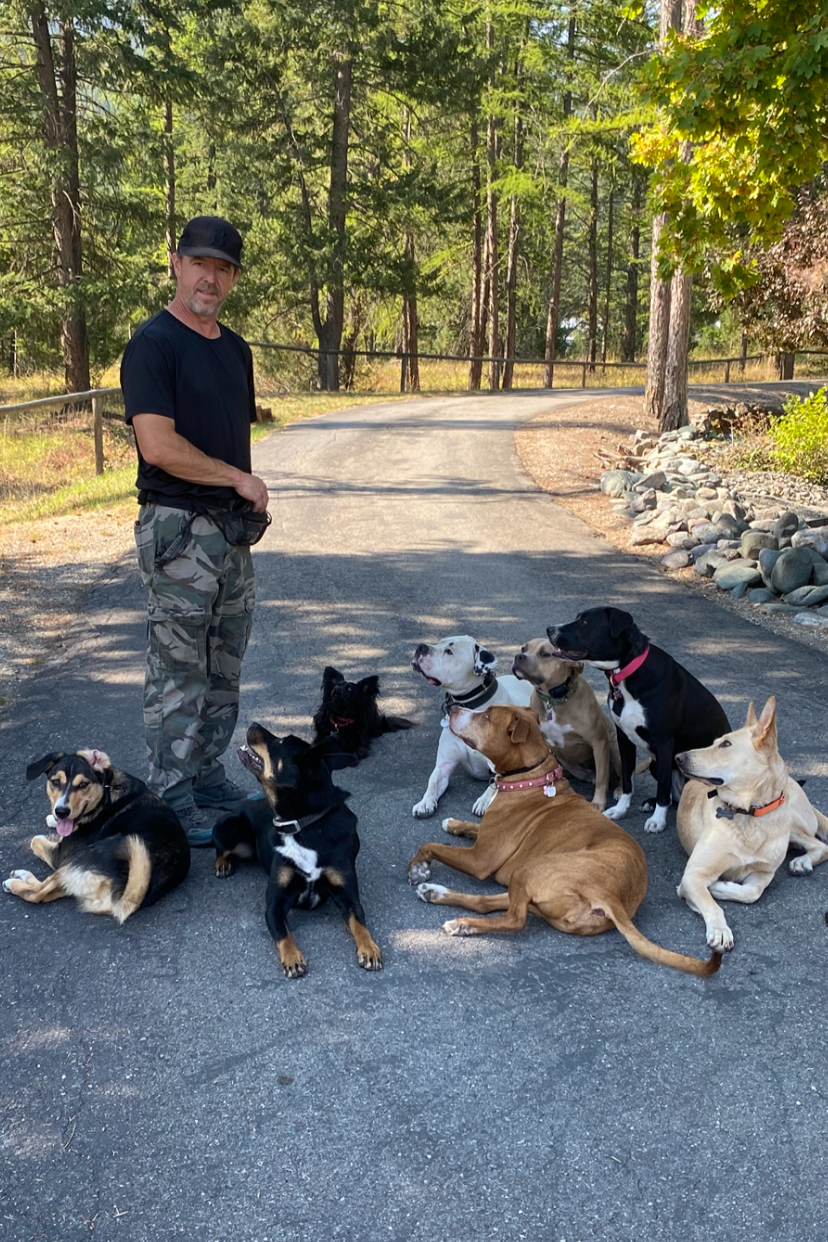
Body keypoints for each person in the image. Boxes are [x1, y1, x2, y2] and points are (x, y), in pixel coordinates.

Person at [120, 215, 270, 845]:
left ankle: (206, 775)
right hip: (179, 529)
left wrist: (241, 496)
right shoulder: (153, 345)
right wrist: (237, 478)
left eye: (224, 268)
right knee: (178, 668)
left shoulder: (235, 350)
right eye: (200, 263)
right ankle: (171, 799)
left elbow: (226, 431)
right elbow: (157, 446)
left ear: (232, 278)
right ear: (177, 264)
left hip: (230, 535)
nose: (211, 277)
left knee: (224, 663)